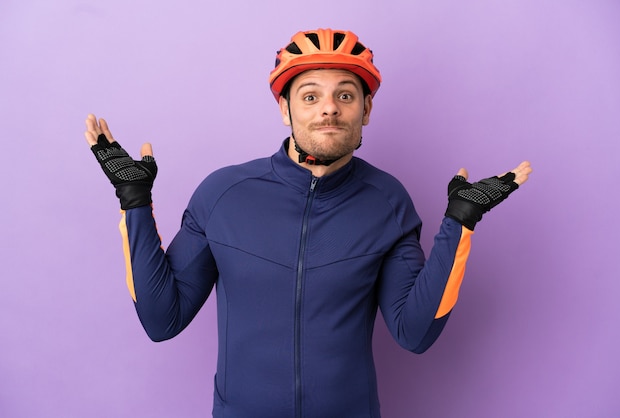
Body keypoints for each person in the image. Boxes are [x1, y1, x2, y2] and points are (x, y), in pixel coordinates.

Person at [84, 28, 532, 418]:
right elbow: (162, 318)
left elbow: (414, 333)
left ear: (366, 110)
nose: (329, 109)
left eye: (345, 95)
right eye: (311, 95)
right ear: (286, 109)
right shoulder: (224, 194)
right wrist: (135, 201)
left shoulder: (388, 201)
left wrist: (459, 221)